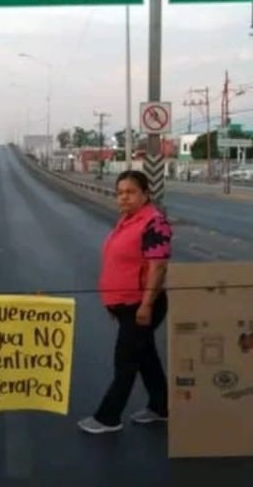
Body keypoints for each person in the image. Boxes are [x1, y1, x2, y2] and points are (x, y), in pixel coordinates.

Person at [79, 170, 172, 434]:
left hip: (141, 305)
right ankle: (162, 407)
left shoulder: (154, 222)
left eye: (130, 192)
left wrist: (146, 305)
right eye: (120, 192)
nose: (124, 197)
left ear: (145, 194)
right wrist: (113, 304)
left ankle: (108, 417)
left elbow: (158, 267)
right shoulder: (128, 221)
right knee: (145, 358)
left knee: (126, 362)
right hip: (125, 305)